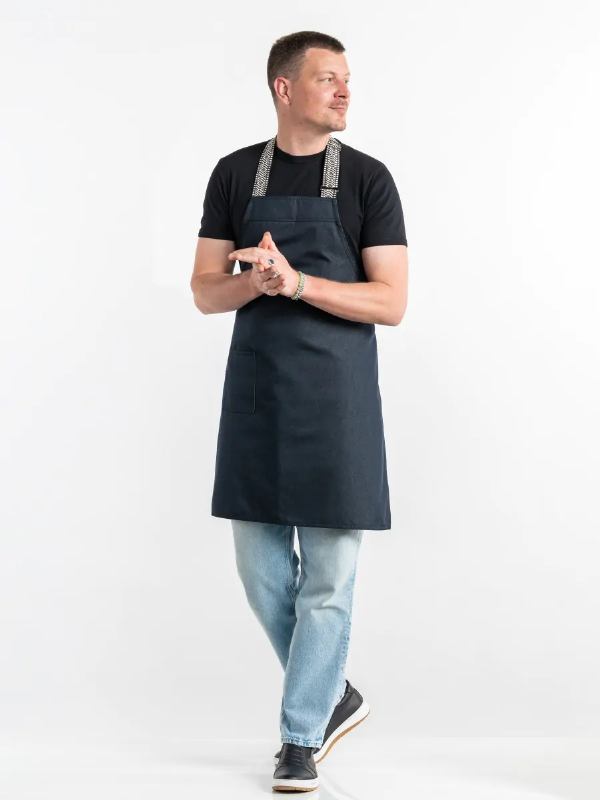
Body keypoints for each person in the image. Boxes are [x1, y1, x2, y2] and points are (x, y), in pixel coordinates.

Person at [190, 30, 408, 792]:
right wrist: (254, 283)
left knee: (328, 582)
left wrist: (300, 284)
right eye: (327, 78)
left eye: (347, 78)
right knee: (259, 572)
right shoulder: (233, 175)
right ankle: (333, 692)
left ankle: (299, 738)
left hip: (338, 403)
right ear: (284, 88)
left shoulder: (368, 181)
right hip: (258, 396)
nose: (345, 90)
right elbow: (204, 290)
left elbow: (391, 301)